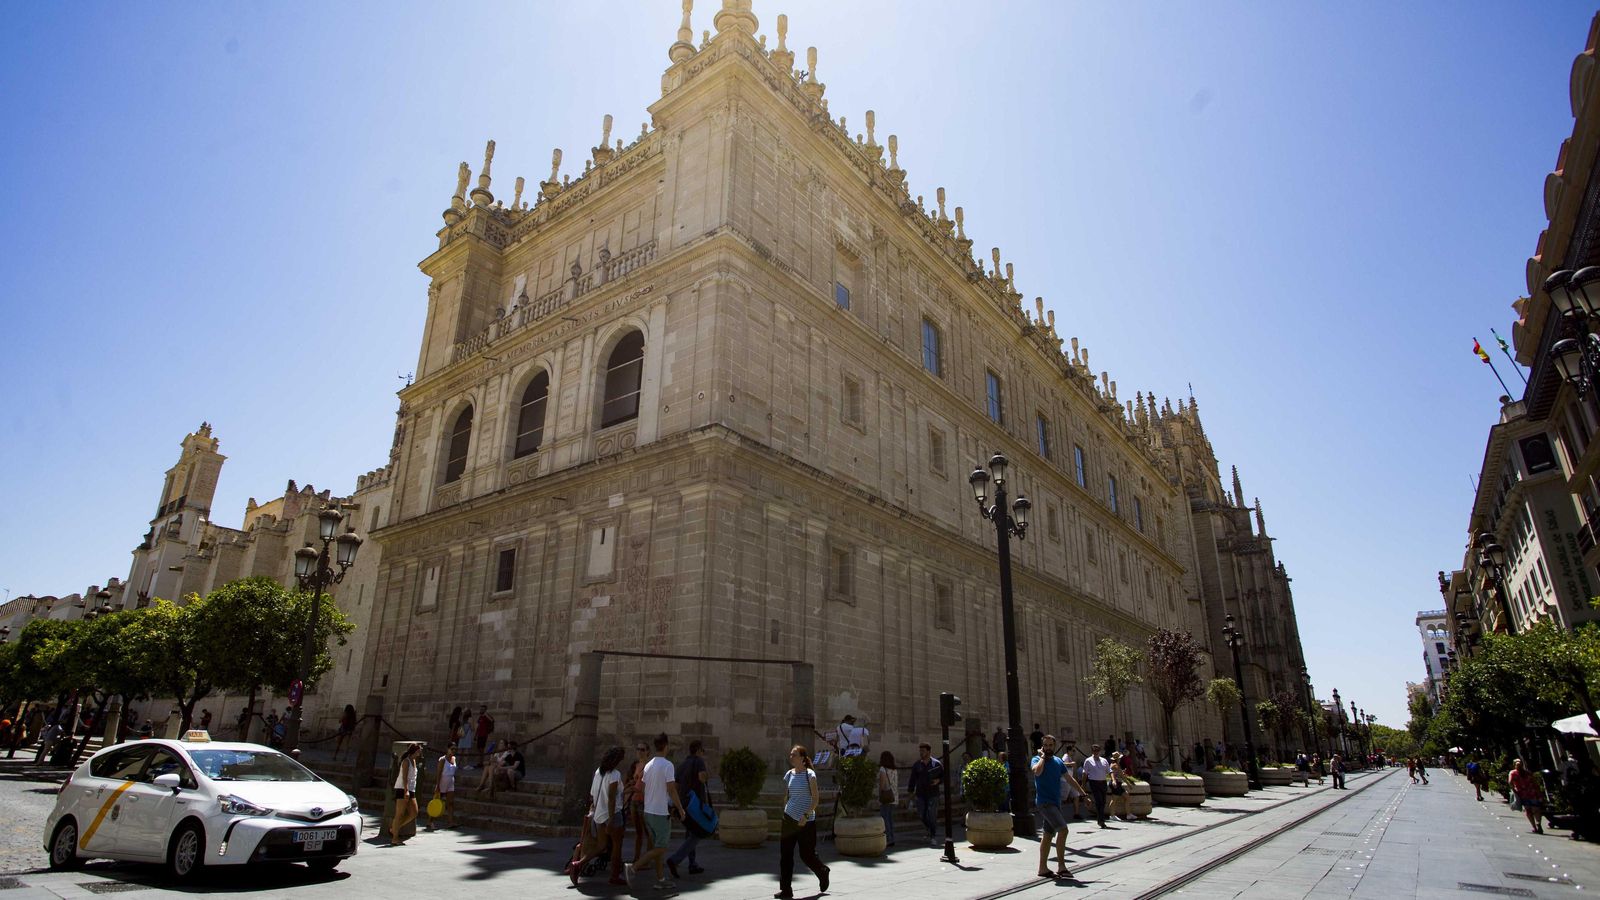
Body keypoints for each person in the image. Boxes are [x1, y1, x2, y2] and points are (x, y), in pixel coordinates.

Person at [632, 733, 684, 890]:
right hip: (660, 813)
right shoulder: (668, 765)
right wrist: (681, 809)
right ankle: (633, 867)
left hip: (648, 811)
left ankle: (660, 879)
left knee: (657, 847)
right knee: (662, 847)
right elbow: (672, 790)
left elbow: (645, 787)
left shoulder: (648, 765)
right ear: (666, 746)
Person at [777, 745, 829, 900]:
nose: (790, 756)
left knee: (806, 855)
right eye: (791, 754)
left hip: (805, 822)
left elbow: (815, 799)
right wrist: (785, 809)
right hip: (788, 819)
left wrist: (805, 815)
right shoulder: (789, 774)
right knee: (785, 856)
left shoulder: (810, 775)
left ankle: (822, 871)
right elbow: (787, 795)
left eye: (794, 754)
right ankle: (786, 890)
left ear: (802, 758)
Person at [571, 745, 628, 886]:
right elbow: (612, 798)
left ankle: (578, 863)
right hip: (612, 815)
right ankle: (614, 876)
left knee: (602, 845)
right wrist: (611, 819)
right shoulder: (615, 775)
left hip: (598, 814)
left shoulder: (598, 772)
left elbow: (593, 794)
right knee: (616, 846)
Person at [1032, 734, 1080, 879]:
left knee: (1047, 835)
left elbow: (1069, 779)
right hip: (1045, 803)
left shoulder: (1058, 761)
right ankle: (1061, 866)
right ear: (1042, 747)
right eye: (1045, 745)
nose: (1047, 748)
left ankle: (1042, 868)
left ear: (1054, 746)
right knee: (1063, 830)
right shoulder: (1036, 759)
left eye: (1050, 745)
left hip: (1056, 802)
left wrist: (1083, 794)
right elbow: (1037, 772)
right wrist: (1042, 757)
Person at [667, 739, 710, 877]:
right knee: (698, 833)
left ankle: (692, 864)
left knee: (690, 832)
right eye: (702, 751)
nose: (703, 753)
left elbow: (676, 786)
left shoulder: (682, 764)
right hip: (695, 805)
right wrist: (706, 773)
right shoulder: (698, 761)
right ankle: (675, 860)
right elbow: (702, 778)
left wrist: (676, 805)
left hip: (684, 804)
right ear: (698, 750)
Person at [907, 741, 944, 846]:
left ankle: (933, 835)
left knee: (932, 815)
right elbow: (912, 779)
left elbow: (943, 776)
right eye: (920, 751)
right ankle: (929, 828)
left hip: (933, 794)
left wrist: (938, 781)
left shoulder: (936, 763)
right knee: (921, 814)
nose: (921, 753)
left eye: (923, 751)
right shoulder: (917, 765)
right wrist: (910, 792)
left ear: (928, 751)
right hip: (920, 794)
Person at [623, 741, 651, 864]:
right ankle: (636, 857)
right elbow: (631, 780)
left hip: (644, 801)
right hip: (634, 800)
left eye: (642, 749)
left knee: (648, 831)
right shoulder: (636, 765)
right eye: (638, 749)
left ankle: (647, 859)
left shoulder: (650, 766)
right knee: (638, 832)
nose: (639, 752)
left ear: (647, 752)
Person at [391, 743, 422, 845]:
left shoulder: (414, 761)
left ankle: (395, 828)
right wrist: (406, 790)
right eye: (419, 750)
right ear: (415, 751)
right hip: (402, 789)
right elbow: (404, 777)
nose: (420, 752)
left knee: (414, 812)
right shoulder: (406, 761)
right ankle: (395, 838)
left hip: (411, 789)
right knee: (399, 814)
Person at [1081, 743, 1114, 828]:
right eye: (1094, 750)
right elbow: (1085, 774)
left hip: (1103, 782)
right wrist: (1083, 785)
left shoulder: (1104, 760)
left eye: (1097, 750)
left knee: (1103, 801)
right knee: (1099, 801)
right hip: (1094, 783)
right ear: (1092, 751)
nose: (1096, 752)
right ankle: (1101, 821)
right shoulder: (1088, 761)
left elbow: (1110, 771)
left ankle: (1100, 818)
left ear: (1100, 751)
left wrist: (1113, 779)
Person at [1509, 759, 1545, 834]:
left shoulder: (1513, 773)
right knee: (1536, 809)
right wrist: (1539, 793)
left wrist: (1514, 790)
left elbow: (1510, 782)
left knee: (1528, 811)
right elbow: (1535, 783)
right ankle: (1538, 823)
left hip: (1523, 794)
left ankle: (1534, 827)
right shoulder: (1528, 773)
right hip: (1532, 793)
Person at [430, 745, 459, 830]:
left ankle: (450, 822)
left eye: (455, 749)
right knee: (437, 802)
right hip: (442, 782)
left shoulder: (454, 758)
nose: (453, 751)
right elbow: (438, 773)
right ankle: (430, 821)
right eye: (452, 749)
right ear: (447, 749)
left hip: (450, 782)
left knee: (450, 802)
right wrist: (437, 785)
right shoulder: (442, 760)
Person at [877, 751, 898, 848]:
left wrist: (879, 795)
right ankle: (892, 838)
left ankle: (888, 839)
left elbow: (882, 784)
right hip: (894, 796)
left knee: (885, 818)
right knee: (890, 818)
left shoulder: (882, 769)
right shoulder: (894, 770)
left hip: (886, 796)